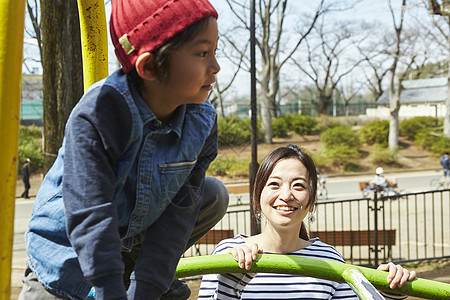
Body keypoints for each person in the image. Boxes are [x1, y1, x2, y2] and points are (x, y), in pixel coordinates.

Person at [20, 1, 229, 299]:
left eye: (215, 51)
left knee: (211, 194)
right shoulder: (100, 113)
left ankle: (136, 274)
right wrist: (110, 291)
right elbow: (91, 216)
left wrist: (146, 287)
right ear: (149, 66)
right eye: (202, 53)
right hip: (65, 258)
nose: (215, 67)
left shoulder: (202, 121)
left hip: (127, 238)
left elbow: (178, 216)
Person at [199, 144, 416, 299]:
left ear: (311, 201)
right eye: (274, 184)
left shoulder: (329, 259)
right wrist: (233, 277)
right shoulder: (228, 252)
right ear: (258, 197)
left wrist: (387, 290)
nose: (286, 195)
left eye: (299, 186)